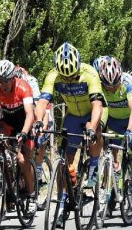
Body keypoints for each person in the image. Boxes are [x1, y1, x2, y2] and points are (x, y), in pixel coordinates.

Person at [34, 43, 104, 193]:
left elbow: (98, 105)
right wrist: (39, 121)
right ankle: (63, 198)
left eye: (72, 76)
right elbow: (42, 102)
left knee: (94, 129)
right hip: (72, 115)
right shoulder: (52, 75)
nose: (69, 79)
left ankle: (94, 164)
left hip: (91, 112)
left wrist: (91, 127)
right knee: (64, 160)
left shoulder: (90, 73)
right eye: (65, 77)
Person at [0, 59, 37, 212]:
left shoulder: (23, 87)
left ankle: (32, 194)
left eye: (7, 81)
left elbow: (29, 114)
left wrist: (24, 133)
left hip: (24, 124)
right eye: (0, 81)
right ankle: (0, 164)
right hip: (7, 123)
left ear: (13, 77)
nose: (4, 85)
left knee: (22, 159)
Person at [97, 56, 132, 202]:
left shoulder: (129, 82)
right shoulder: (99, 85)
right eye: (108, 86)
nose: (112, 88)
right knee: (111, 150)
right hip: (114, 118)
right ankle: (114, 174)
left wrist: (130, 130)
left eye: (115, 84)